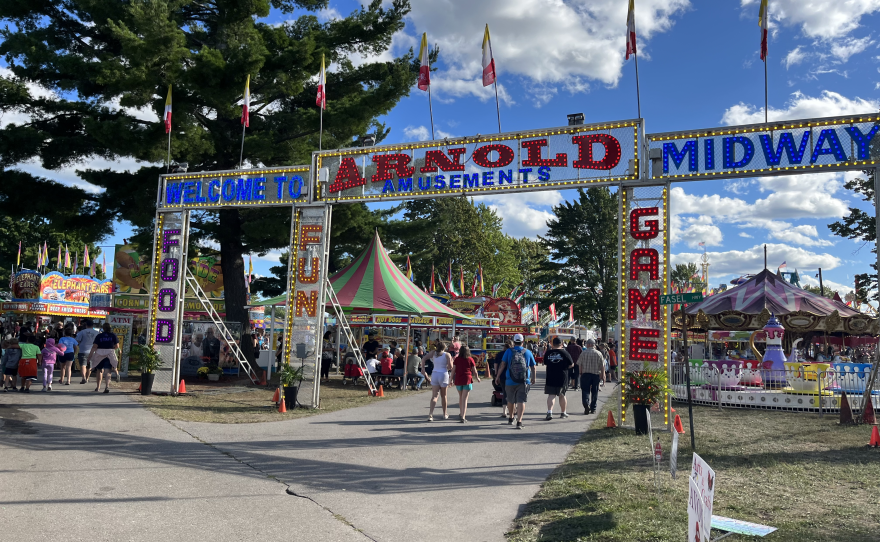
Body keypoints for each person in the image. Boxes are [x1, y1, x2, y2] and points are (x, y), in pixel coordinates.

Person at [495, 333, 537, 429]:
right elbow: (533, 366)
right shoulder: (527, 352)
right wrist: (533, 378)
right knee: (521, 401)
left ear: (514, 342)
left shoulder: (509, 351)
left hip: (510, 380)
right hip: (523, 380)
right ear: (523, 342)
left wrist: (497, 376)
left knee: (510, 400)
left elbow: (503, 364)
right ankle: (519, 421)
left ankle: (511, 418)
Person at [543, 337, 574, 420]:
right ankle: (563, 412)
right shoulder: (564, 353)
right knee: (562, 395)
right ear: (561, 343)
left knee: (551, 395)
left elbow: (545, 363)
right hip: (562, 376)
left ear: (552, 344)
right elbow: (571, 364)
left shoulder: (548, 352)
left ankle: (549, 412)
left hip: (550, 376)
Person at [87, 323, 121, 393]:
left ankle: (98, 387)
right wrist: (111, 349)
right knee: (107, 371)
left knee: (99, 370)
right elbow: (117, 346)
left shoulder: (99, 336)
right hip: (109, 353)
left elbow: (94, 346)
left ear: (103, 328)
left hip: (99, 353)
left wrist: (90, 356)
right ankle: (107, 386)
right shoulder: (113, 335)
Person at [424, 341, 453, 421]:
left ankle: (430, 414)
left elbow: (424, 358)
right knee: (444, 395)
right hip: (443, 374)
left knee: (434, 396)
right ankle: (444, 413)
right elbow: (450, 367)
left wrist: (423, 368)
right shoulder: (447, 354)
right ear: (444, 348)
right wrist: (451, 361)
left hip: (435, 374)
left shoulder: (433, 353)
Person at [452, 344, 481, 422]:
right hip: (467, 379)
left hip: (458, 379)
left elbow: (453, 370)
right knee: (464, 399)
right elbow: (474, 370)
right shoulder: (470, 359)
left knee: (460, 397)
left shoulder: (457, 359)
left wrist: (450, 379)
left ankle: (461, 413)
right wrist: (477, 378)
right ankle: (463, 416)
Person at [577, 339, 605, 414]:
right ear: (593, 345)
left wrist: (580, 373)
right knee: (594, 391)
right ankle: (593, 408)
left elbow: (580, 364)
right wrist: (603, 375)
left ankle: (586, 403)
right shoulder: (599, 353)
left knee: (585, 390)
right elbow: (602, 366)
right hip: (595, 375)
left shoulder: (583, 353)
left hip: (585, 374)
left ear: (588, 344)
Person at [75, 319, 99, 384]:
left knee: (83, 365)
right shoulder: (96, 332)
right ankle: (87, 378)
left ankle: (83, 378)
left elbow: (77, 341)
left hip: (83, 350)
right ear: (92, 325)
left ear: (86, 325)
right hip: (93, 351)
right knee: (90, 366)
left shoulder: (82, 332)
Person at [493, 340, 513, 417]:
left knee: (504, 393)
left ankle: (504, 411)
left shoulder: (500, 354)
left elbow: (495, 364)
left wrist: (496, 374)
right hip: (512, 376)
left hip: (502, 376)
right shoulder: (513, 353)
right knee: (513, 393)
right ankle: (513, 410)